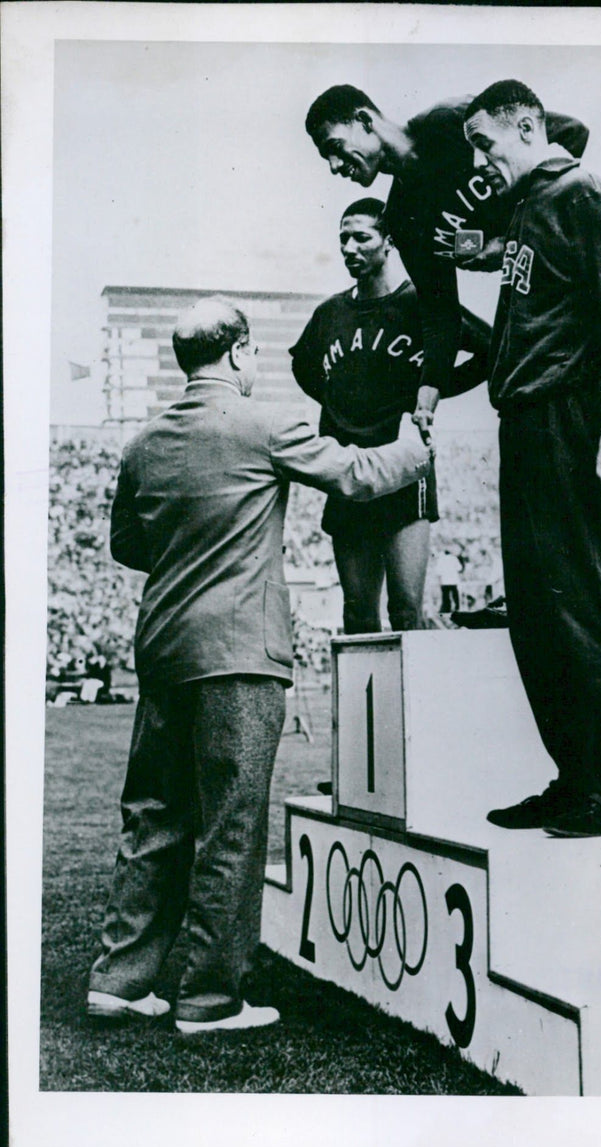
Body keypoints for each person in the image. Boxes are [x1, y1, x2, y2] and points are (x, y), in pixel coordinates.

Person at [87, 298, 432, 1032]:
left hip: (164, 646)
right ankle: (209, 997)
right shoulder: (266, 422)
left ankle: (120, 978)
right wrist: (415, 445)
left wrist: (190, 545)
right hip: (240, 650)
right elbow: (360, 477)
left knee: (152, 814)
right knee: (231, 822)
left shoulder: (145, 441)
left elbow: (126, 545)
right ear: (241, 352)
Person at [463, 80, 601, 837]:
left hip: (568, 417)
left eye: (489, 142)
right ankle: (574, 776)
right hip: (523, 422)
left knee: (584, 599)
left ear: (529, 124)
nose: (481, 159)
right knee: (539, 612)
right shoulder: (525, 210)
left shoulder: (584, 191)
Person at [304, 86, 588, 434]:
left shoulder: (448, 123)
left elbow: (572, 132)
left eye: (334, 147)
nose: (334, 167)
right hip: (526, 321)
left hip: (568, 296)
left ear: (364, 121)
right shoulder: (401, 218)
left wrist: (518, 231)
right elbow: (440, 313)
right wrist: (425, 400)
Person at [290, 197, 490, 633]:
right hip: (345, 472)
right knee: (357, 614)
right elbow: (302, 368)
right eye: (342, 237)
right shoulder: (329, 314)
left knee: (406, 611)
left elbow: (491, 350)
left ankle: (415, 703)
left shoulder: (422, 303)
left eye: (361, 236)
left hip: (403, 470)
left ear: (389, 243)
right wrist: (340, 405)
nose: (349, 247)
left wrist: (430, 390)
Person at [435, 548, 463, 614]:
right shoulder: (454, 558)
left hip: (445, 581)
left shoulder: (441, 559)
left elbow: (438, 571)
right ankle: (457, 607)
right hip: (453, 580)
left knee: (445, 595)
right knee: (455, 594)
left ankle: (447, 608)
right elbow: (460, 568)